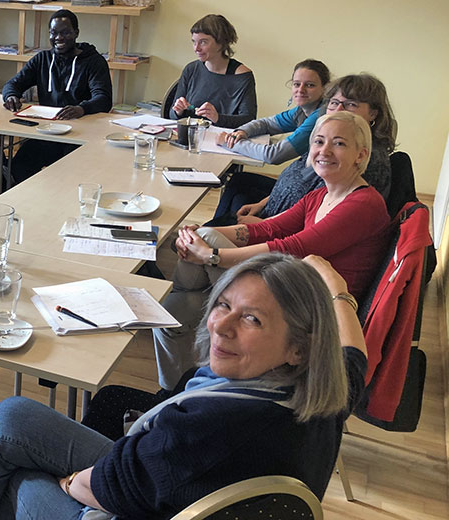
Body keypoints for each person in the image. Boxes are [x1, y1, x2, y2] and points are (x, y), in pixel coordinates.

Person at [0, 253, 367, 519]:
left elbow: (111, 486)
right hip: (175, 489)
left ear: (299, 348)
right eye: (224, 304)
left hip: (140, 498)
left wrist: (67, 480)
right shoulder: (324, 387)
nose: (221, 326)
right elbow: (354, 357)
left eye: (252, 319)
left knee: (21, 483)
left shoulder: (210, 426)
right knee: (11, 416)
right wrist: (336, 288)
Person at [153, 111, 390, 389]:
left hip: (316, 309)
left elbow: (294, 247)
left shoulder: (363, 204)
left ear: (360, 156)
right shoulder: (320, 194)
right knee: (171, 315)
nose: (324, 151)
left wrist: (211, 254)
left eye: (338, 144)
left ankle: (211, 375)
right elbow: (268, 229)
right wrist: (201, 234)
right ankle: (175, 393)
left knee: (208, 247)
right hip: (297, 289)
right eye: (318, 142)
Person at [234, 73, 398, 225]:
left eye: (350, 104)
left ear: (373, 114)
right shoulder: (328, 136)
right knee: (237, 188)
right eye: (333, 103)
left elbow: (318, 219)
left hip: (284, 234)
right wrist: (262, 204)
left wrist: (263, 225)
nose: (338, 110)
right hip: (272, 217)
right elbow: (296, 182)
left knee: (215, 231)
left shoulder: (365, 159)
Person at [206, 59, 331, 225]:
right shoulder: (302, 111)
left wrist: (229, 142)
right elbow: (267, 123)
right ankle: (215, 230)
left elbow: (274, 155)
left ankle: (218, 231)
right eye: (296, 84)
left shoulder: (319, 117)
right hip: (293, 184)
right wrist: (241, 132)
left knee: (240, 196)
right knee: (239, 183)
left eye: (309, 85)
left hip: (302, 192)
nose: (300, 90)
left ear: (325, 89)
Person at [2, 9, 112, 182]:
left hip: (80, 136)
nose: (58, 38)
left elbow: (103, 99)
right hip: (47, 132)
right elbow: (13, 84)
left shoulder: (93, 62)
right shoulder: (42, 59)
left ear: (76, 33)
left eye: (65, 32)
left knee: (69, 175)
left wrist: (81, 109)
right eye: (53, 33)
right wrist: (11, 96)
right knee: (18, 166)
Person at [169, 14, 256, 128]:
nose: (196, 48)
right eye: (194, 42)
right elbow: (171, 114)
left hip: (224, 139)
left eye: (203, 42)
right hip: (192, 135)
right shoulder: (191, 69)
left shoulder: (242, 76)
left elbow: (249, 120)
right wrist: (178, 111)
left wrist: (217, 118)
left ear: (221, 42)